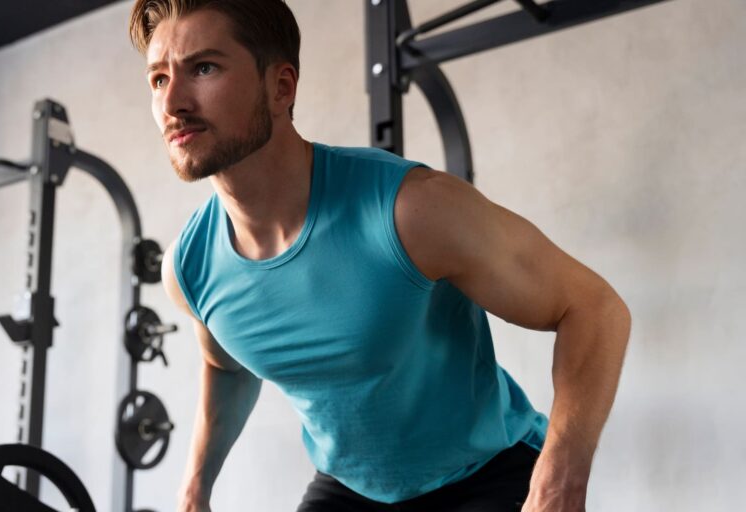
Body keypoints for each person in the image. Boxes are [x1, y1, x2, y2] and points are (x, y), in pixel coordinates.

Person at [128, 1, 631, 511]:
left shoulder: (412, 209)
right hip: (350, 488)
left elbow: (591, 307)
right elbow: (228, 368)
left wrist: (559, 477)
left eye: (204, 68)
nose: (173, 103)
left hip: (487, 475)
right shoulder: (190, 268)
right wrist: (194, 487)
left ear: (281, 87)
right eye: (158, 79)